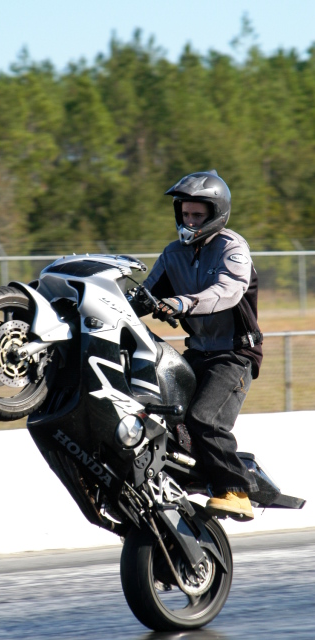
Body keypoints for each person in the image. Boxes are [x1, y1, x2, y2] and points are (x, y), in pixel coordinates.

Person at [140, 170, 263, 521]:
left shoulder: (233, 248)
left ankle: (236, 491)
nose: (189, 221)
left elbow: (228, 290)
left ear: (216, 215)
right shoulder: (173, 253)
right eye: (185, 214)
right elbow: (146, 295)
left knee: (203, 418)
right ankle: (191, 476)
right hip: (197, 352)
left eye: (198, 215)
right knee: (161, 411)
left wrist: (183, 303)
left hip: (234, 353)